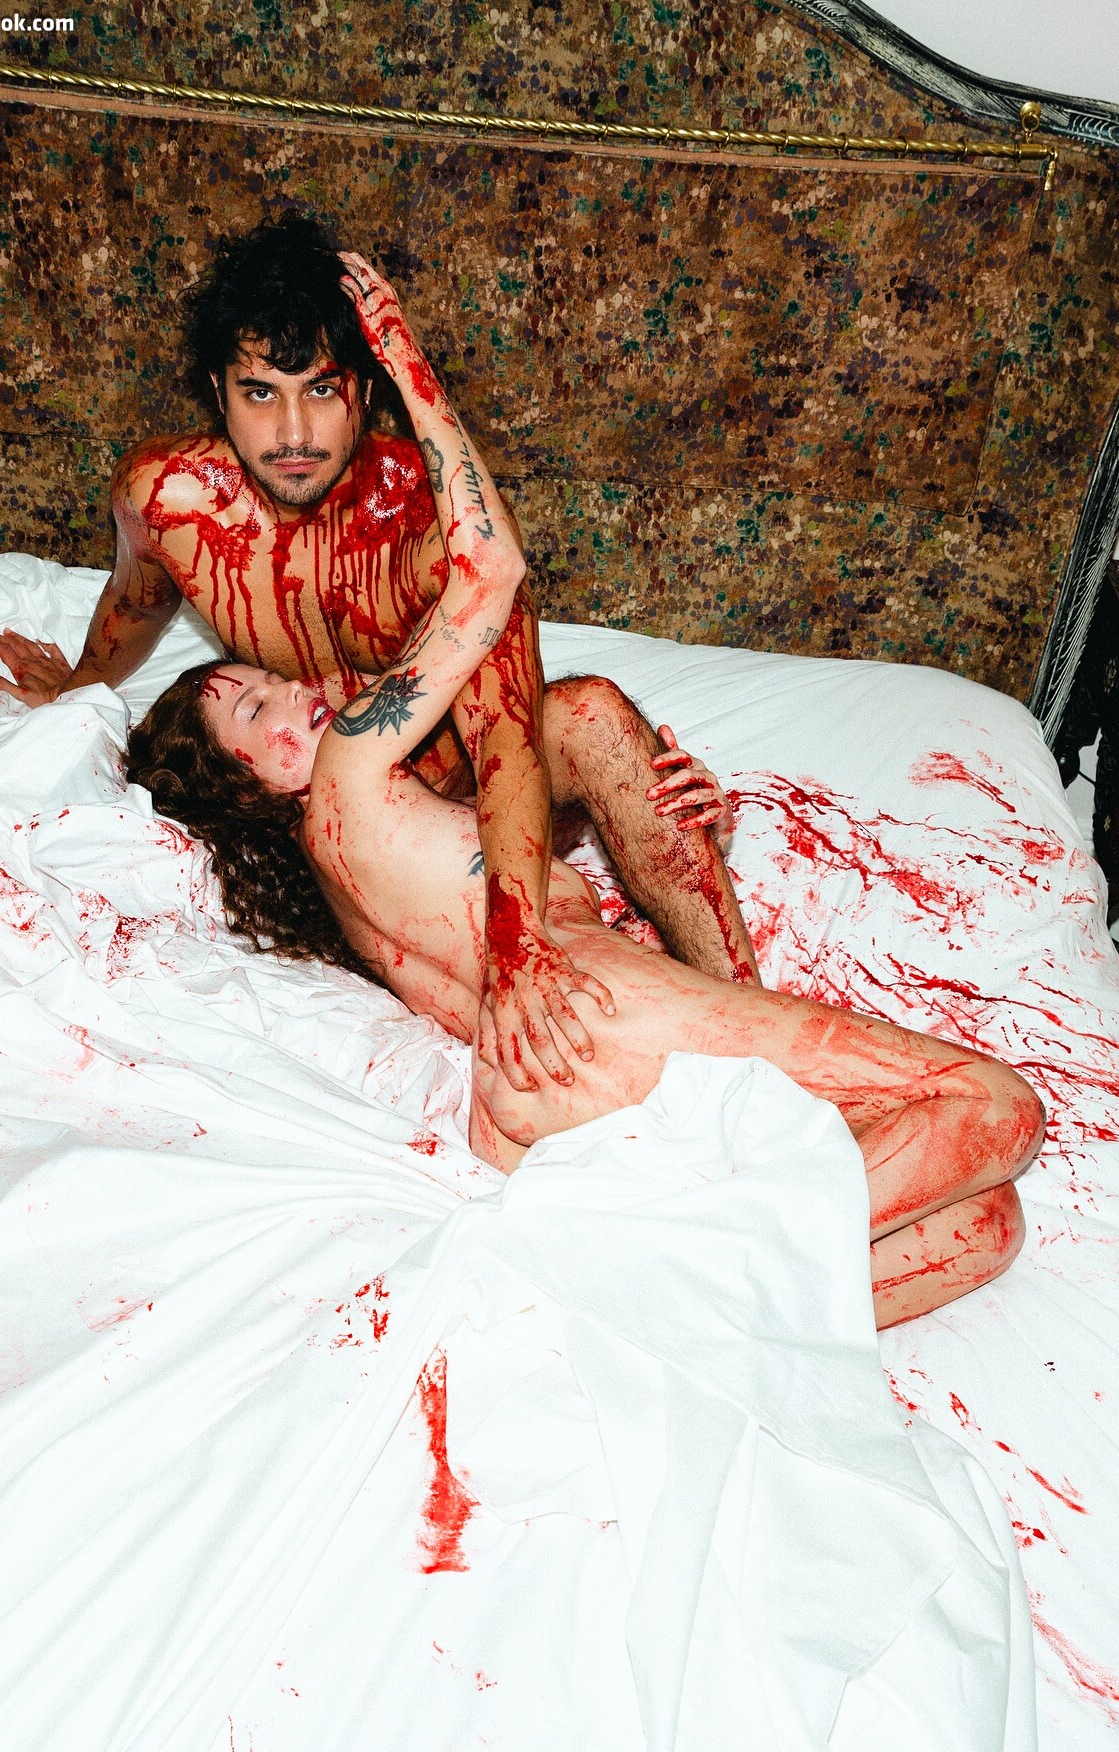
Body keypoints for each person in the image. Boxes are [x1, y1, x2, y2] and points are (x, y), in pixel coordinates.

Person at [126, 258, 1044, 1331]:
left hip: (539, 1081)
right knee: (995, 1108)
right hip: (592, 1016)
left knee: (986, 1229)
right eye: (255, 706)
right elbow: (491, 570)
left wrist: (687, 825)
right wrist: (411, 368)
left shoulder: (365, 842)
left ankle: (704, 1324)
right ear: (249, 787)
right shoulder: (349, 769)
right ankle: (700, 1271)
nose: (299, 688)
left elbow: (513, 778)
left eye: (324, 388)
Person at [0, 216, 758, 1097]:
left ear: (368, 388)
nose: (293, 432)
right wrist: (80, 689)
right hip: (337, 835)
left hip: (457, 787)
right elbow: (137, 601)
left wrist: (519, 936)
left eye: (323, 389)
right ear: (217, 392)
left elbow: (505, 741)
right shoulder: (170, 502)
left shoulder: (430, 521)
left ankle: (752, 1026)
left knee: (599, 721)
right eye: (260, 394)